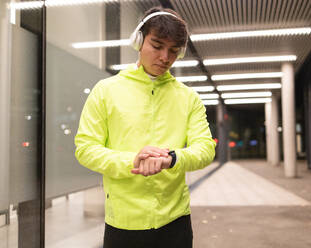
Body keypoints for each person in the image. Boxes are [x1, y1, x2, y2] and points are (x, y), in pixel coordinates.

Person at [75, 6, 216, 248]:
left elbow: (205, 149)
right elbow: (85, 149)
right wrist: (133, 161)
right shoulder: (106, 91)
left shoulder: (188, 97)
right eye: (157, 45)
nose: (165, 57)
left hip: (175, 221)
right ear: (138, 40)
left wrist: (171, 159)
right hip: (124, 222)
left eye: (173, 51)